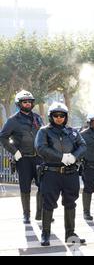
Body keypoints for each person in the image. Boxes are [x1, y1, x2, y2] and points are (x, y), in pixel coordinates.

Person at [35, 102, 87, 246]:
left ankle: (70, 234)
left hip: (70, 173)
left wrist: (74, 156)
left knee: (71, 203)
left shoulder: (72, 132)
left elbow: (83, 145)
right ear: (51, 116)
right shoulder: (44, 131)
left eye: (62, 115)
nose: (59, 118)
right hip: (52, 173)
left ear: (66, 116)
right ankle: (45, 234)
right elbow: (41, 148)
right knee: (48, 203)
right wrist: (61, 157)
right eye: (56, 115)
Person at [0, 90, 44, 224]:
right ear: (19, 104)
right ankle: (26, 214)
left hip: (38, 158)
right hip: (23, 158)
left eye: (30, 101)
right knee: (25, 187)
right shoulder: (13, 120)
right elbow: (3, 137)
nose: (28, 104)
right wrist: (14, 152)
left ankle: (40, 213)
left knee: (43, 186)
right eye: (25, 102)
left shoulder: (37, 118)